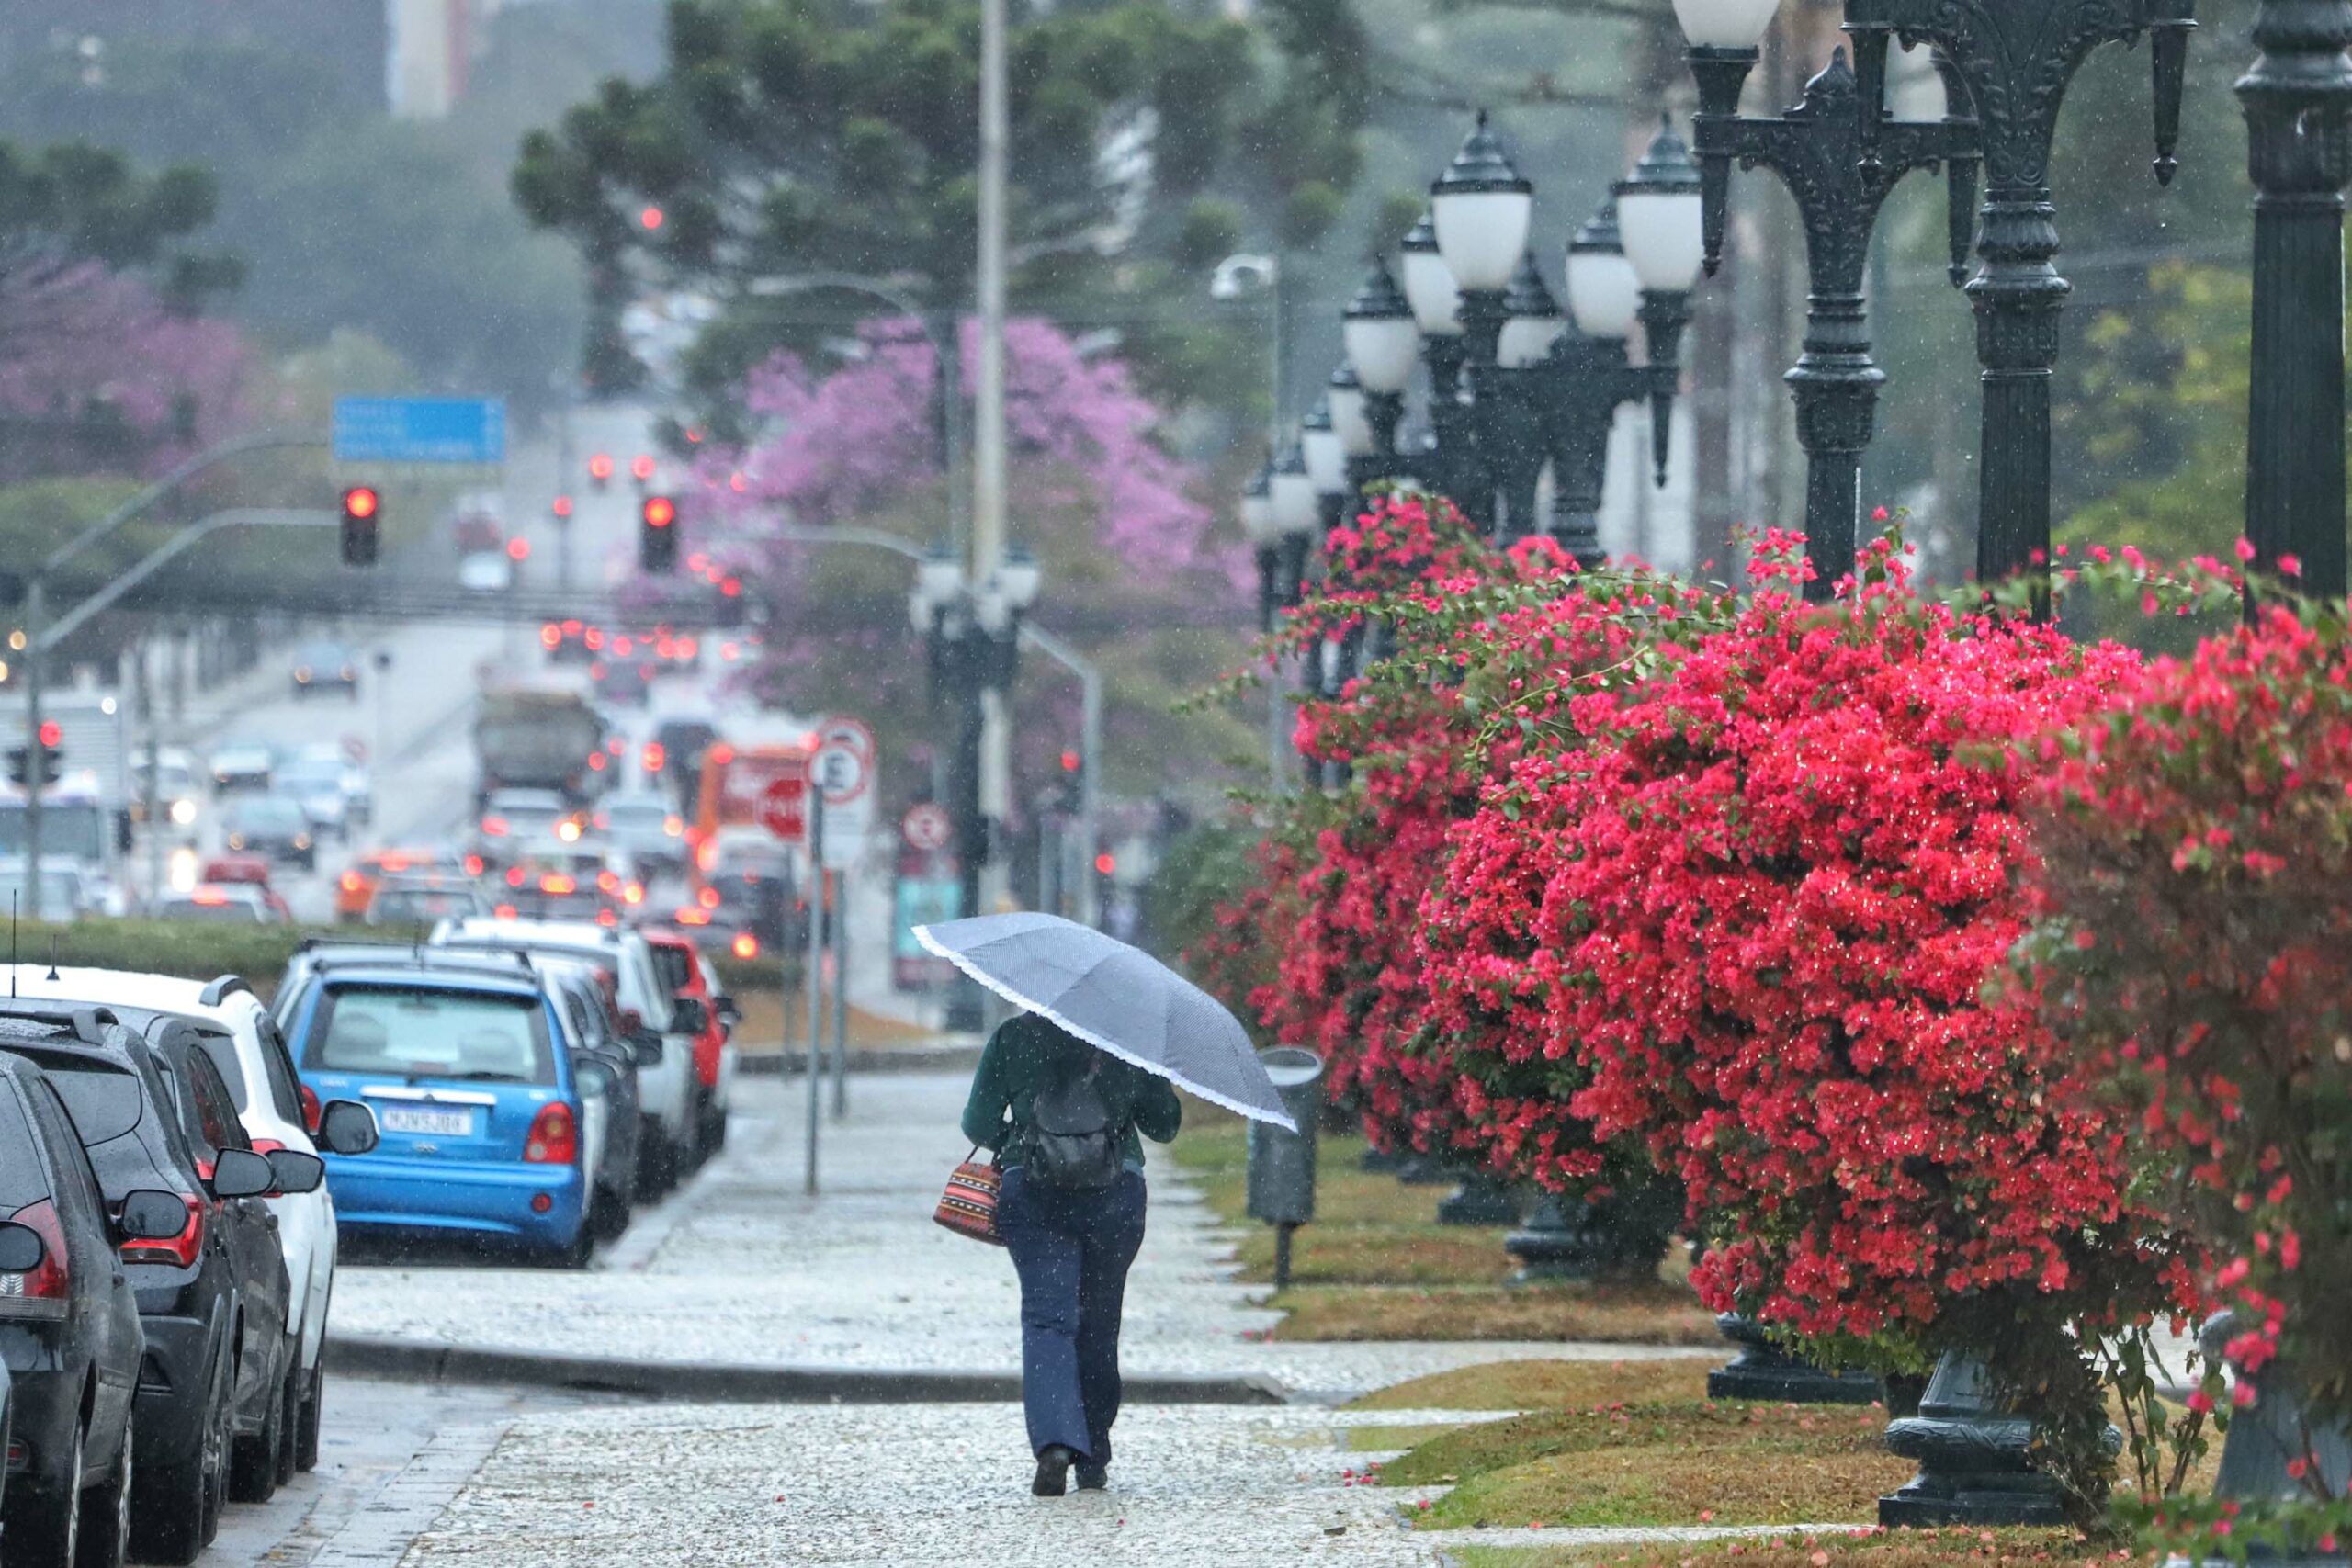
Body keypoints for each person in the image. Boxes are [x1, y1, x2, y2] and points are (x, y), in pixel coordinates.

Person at [961, 1010, 1182, 1496]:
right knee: (1100, 1322)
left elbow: (976, 1123)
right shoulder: (1126, 1035)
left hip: (1033, 1192)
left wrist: (1022, 1143)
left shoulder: (1012, 1037)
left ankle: (1056, 1442)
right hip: (1115, 1193)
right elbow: (1165, 1126)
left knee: (1047, 1319)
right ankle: (1094, 1455)